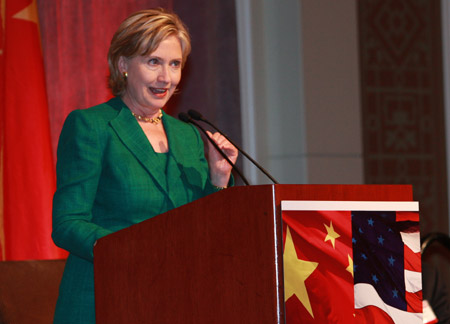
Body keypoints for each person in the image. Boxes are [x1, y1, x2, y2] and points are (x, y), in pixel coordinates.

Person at [51, 8, 238, 323]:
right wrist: (133, 253)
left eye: (174, 64)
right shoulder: (92, 126)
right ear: (123, 65)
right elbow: (68, 223)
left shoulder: (189, 135)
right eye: (153, 62)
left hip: (176, 300)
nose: (166, 77)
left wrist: (219, 178)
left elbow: (204, 228)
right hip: (103, 298)